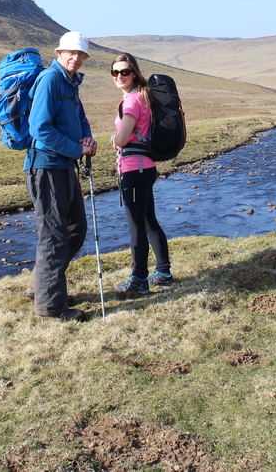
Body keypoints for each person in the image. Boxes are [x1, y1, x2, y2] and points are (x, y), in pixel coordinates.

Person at [24, 31, 98, 321]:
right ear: (58, 53)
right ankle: (51, 308)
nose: (76, 58)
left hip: (64, 166)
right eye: (71, 53)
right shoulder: (51, 79)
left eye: (81, 54)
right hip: (47, 167)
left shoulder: (70, 82)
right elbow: (39, 128)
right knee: (54, 237)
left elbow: (79, 120)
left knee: (75, 230)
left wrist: (87, 141)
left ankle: (40, 286)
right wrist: (74, 149)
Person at [108, 52, 172, 295]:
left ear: (134, 73)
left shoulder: (132, 101)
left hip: (134, 170)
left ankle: (139, 280)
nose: (120, 76)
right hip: (146, 167)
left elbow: (123, 138)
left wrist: (113, 140)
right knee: (148, 221)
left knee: (136, 226)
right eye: (115, 72)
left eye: (125, 71)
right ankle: (163, 273)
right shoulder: (143, 97)